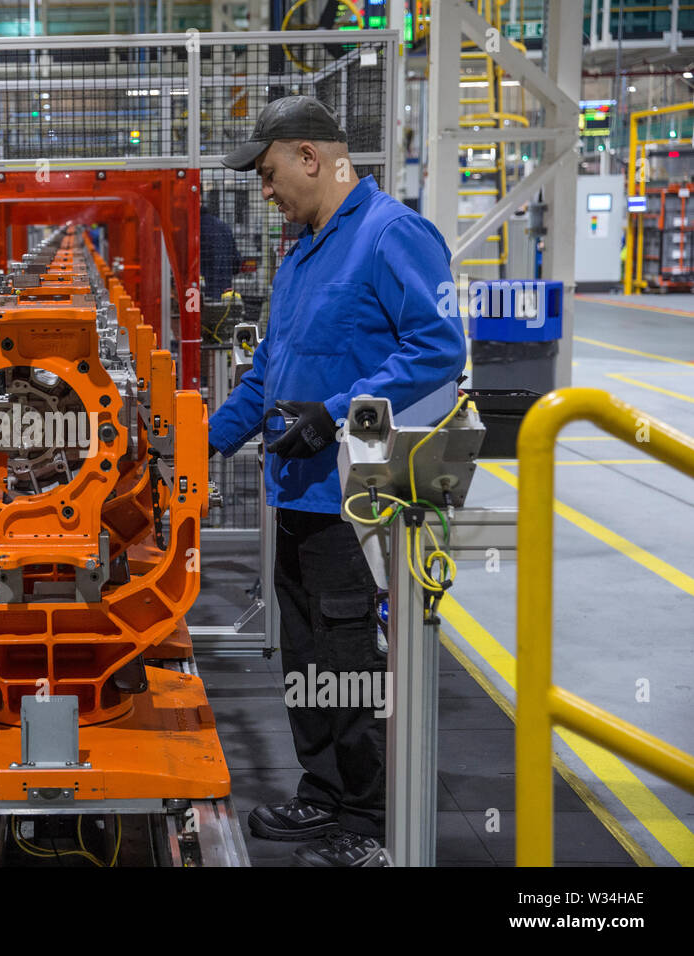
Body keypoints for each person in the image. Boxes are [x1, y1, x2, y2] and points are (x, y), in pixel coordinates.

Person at [208, 96, 465, 866]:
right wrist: (190, 446)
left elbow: (437, 350)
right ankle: (322, 793)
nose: (266, 189)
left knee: (352, 664)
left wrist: (336, 412)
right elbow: (263, 378)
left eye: (269, 171)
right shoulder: (301, 257)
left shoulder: (392, 235)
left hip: (357, 498)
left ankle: (369, 815)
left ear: (311, 158)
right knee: (309, 658)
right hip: (295, 495)